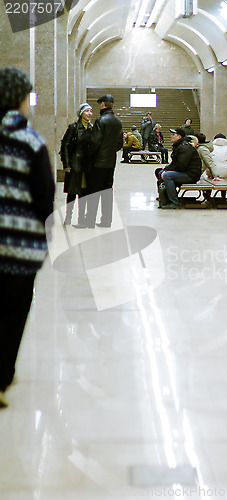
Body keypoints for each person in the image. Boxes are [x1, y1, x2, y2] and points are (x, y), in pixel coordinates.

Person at [0, 66, 55, 408]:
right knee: (13, 311)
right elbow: (44, 195)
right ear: (19, 101)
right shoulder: (30, 141)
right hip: (19, 247)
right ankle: (2, 375)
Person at [77, 94, 123, 229]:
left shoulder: (100, 120)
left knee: (94, 192)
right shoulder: (117, 121)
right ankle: (106, 221)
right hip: (111, 162)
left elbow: (94, 142)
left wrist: (88, 156)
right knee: (107, 192)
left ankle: (90, 221)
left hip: (98, 163)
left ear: (102, 104)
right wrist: (109, 152)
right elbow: (119, 143)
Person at [60, 103, 93, 226]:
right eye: (86, 111)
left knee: (83, 193)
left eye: (91, 111)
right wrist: (67, 165)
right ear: (81, 113)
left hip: (86, 167)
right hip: (74, 165)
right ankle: (68, 217)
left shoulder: (92, 128)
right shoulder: (73, 127)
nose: (89, 113)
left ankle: (81, 219)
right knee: (72, 192)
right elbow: (65, 146)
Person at [154, 128, 201, 209]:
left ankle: (174, 202)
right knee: (159, 171)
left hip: (191, 175)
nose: (171, 136)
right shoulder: (179, 146)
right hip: (185, 172)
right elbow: (175, 163)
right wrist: (166, 168)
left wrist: (167, 171)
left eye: (173, 134)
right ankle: (164, 198)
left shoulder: (184, 147)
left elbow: (181, 166)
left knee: (167, 175)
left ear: (179, 137)